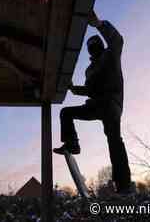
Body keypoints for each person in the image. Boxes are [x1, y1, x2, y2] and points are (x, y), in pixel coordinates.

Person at [53, 10, 132, 194]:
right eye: (91, 48)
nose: (94, 50)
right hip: (96, 106)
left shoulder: (110, 55)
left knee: (114, 140)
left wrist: (99, 24)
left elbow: (117, 40)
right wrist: (74, 89)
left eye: (96, 46)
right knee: (66, 113)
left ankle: (124, 185)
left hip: (111, 104)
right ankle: (72, 143)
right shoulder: (89, 70)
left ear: (100, 46)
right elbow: (89, 90)